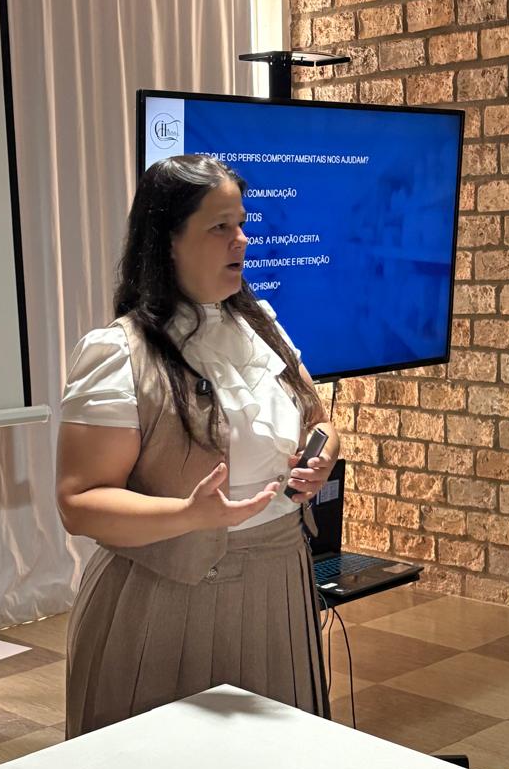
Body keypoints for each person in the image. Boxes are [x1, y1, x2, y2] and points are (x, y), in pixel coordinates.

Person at [56, 155, 340, 736]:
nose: (241, 240)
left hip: (280, 583)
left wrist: (322, 451)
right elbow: (79, 502)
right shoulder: (120, 353)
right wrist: (188, 514)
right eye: (219, 227)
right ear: (167, 241)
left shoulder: (262, 325)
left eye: (241, 223)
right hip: (168, 599)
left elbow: (319, 417)